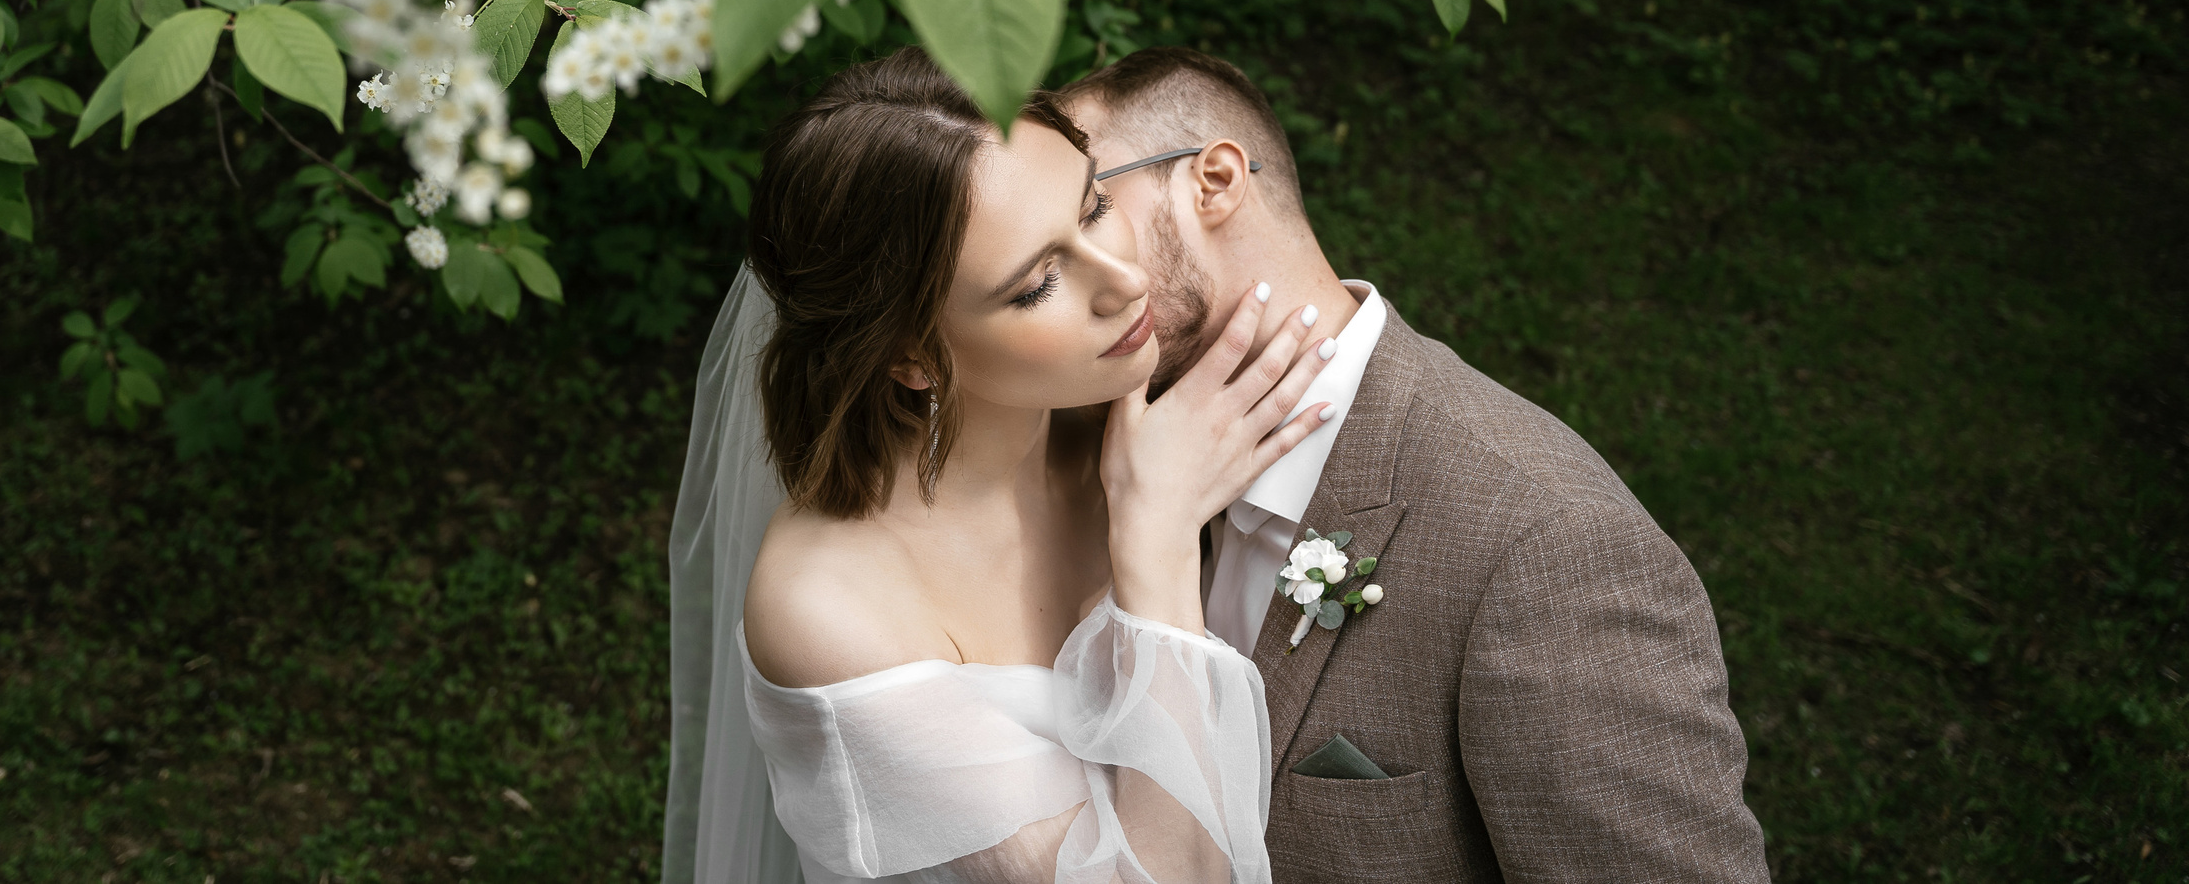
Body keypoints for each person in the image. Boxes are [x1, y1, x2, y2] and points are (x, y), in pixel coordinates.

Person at [1056, 47, 1771, 883]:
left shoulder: (1547, 547)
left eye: (1090, 207)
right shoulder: (1100, 468)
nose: (1061, 269)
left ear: (1213, 180)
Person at [665, 49, 1340, 883]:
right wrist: (1156, 539)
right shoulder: (828, 609)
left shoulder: (1117, 407)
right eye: (1036, 284)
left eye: (1093, 206)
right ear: (913, 357)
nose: (1126, 281)